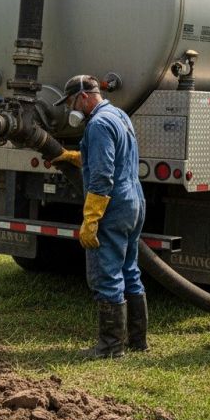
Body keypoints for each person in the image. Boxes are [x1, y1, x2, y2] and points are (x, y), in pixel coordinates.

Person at [52, 75, 147, 358]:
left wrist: (92, 218)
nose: (70, 109)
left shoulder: (97, 124)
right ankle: (137, 341)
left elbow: (103, 174)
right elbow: (112, 157)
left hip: (112, 206)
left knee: (106, 274)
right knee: (129, 270)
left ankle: (110, 347)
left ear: (82, 96)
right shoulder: (119, 116)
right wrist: (72, 156)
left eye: (70, 102)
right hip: (134, 201)